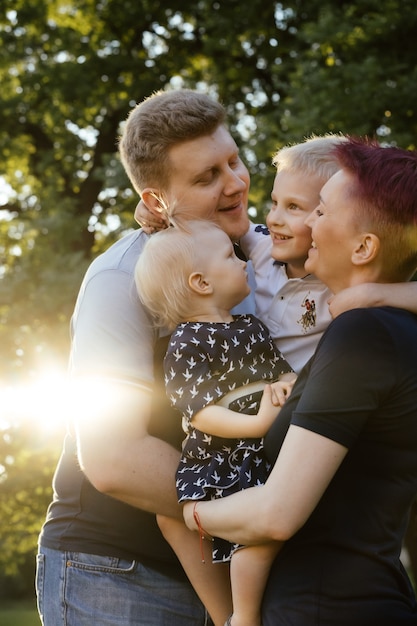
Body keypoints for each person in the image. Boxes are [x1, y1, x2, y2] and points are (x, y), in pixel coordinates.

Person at [35, 88, 256, 626]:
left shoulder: (258, 255)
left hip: (228, 563)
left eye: (234, 161)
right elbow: (113, 455)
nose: (235, 184)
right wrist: (256, 511)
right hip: (116, 570)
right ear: (155, 202)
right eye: (206, 178)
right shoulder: (121, 280)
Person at [183, 137, 417, 625]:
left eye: (321, 212)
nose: (307, 224)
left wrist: (193, 516)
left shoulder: (364, 333)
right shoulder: (384, 327)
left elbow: (276, 514)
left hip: (327, 606)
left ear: (363, 246)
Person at [134, 218, 296, 626]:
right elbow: (201, 412)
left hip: (264, 454)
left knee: (274, 534)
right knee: (253, 542)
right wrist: (257, 424)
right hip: (223, 461)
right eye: (231, 255)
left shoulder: (251, 328)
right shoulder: (186, 342)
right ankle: (242, 616)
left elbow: (281, 371)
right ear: (201, 283)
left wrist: (284, 384)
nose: (243, 262)